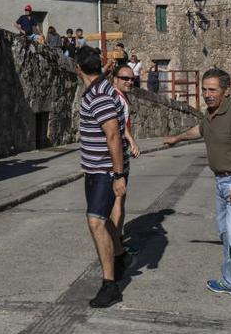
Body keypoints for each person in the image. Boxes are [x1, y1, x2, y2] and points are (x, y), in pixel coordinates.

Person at [163, 68, 231, 315]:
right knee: (225, 234)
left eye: (213, 90)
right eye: (205, 89)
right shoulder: (211, 113)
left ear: (226, 90)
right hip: (221, 182)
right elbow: (200, 131)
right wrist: (176, 139)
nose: (207, 95)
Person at [75, 46, 129, 308]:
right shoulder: (102, 86)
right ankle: (120, 255)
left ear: (78, 69)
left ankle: (110, 286)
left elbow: (113, 136)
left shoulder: (98, 95)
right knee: (104, 219)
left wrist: (118, 175)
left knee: (96, 222)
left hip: (105, 171)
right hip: (95, 169)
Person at [111, 65, 141, 255]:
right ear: (115, 78)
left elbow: (122, 126)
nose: (130, 82)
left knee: (118, 200)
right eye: (125, 78)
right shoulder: (117, 99)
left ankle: (116, 240)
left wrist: (131, 140)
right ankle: (116, 246)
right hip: (117, 157)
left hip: (119, 153)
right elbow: (114, 131)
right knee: (118, 201)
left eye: (132, 79)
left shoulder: (119, 97)